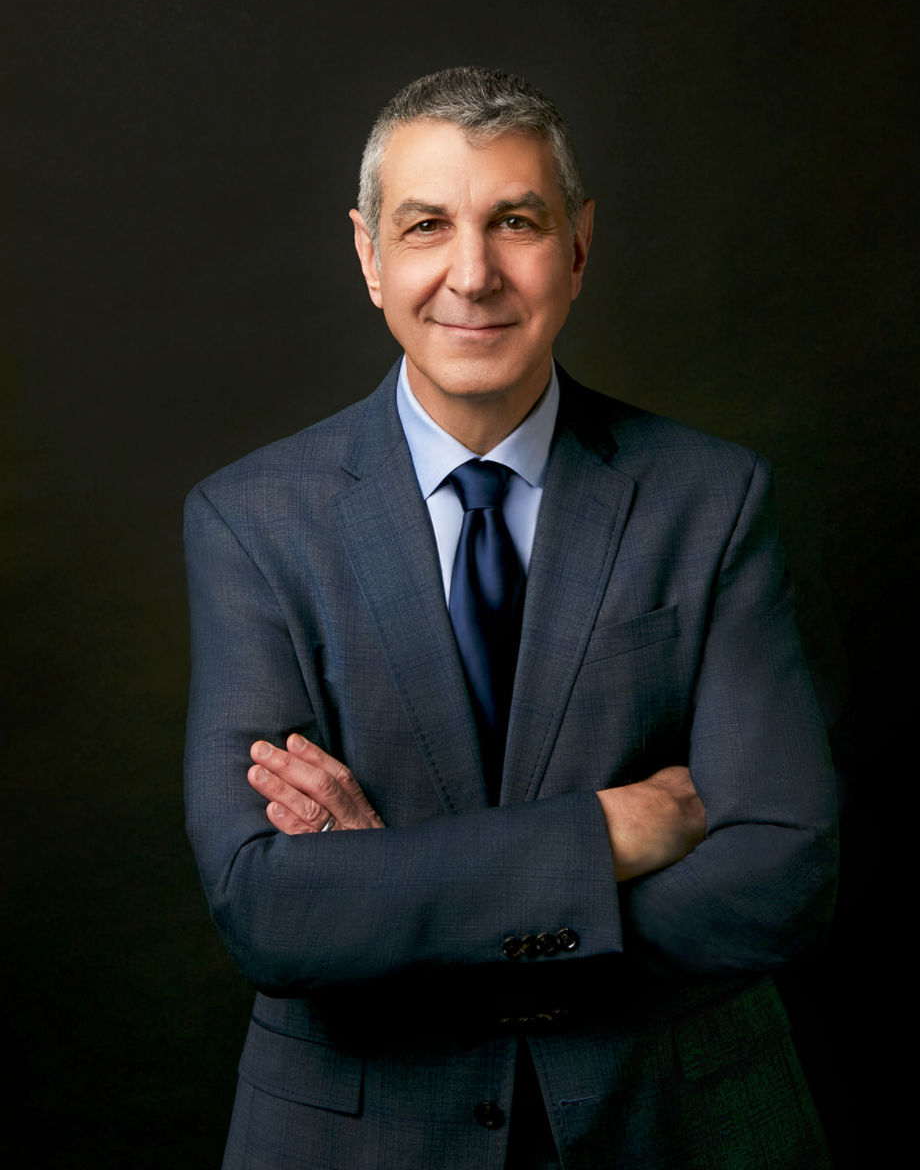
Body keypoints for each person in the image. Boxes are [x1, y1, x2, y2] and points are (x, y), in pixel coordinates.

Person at [184, 66, 838, 1170]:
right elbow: (267, 908)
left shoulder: (712, 500)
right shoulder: (250, 521)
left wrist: (398, 898)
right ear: (368, 254)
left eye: (516, 222)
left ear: (577, 247)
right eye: (428, 224)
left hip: (670, 1125)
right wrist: (608, 835)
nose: (472, 273)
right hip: (359, 1139)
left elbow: (779, 873)